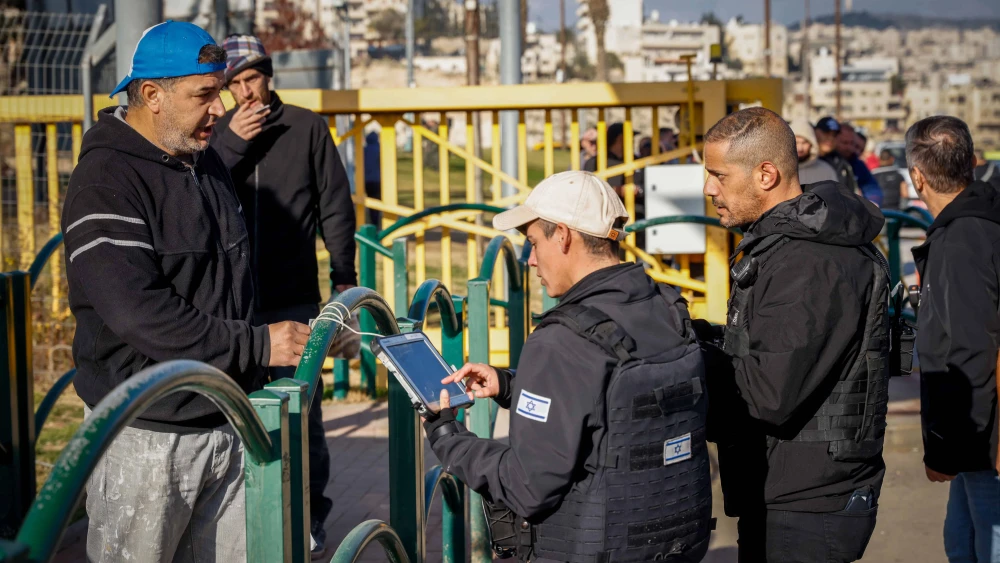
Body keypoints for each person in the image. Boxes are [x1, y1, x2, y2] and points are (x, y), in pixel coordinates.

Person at [62, 22, 310, 562]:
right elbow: (139, 312)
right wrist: (258, 346)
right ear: (152, 95)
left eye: (219, 90)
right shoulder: (105, 178)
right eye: (204, 94)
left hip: (227, 419)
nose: (220, 107)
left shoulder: (204, 160)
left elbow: (230, 284)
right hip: (145, 433)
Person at [422, 170, 713, 562]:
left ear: (562, 235)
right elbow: (610, 400)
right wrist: (512, 385)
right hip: (674, 547)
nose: (529, 260)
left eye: (533, 242)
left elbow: (528, 486)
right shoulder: (666, 307)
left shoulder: (562, 341)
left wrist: (446, 436)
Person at [701, 107, 889, 562]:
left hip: (806, 504)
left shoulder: (809, 260)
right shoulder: (791, 246)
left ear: (766, 174)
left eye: (719, 175)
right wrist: (698, 336)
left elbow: (767, 392)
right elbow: (765, 346)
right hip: (791, 491)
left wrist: (681, 361)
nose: (709, 189)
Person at [209, 34, 358, 559]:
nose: (247, 93)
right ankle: (245, 515)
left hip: (294, 294)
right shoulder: (215, 135)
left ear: (269, 75)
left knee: (301, 412)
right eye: (235, 84)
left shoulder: (306, 126)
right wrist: (231, 143)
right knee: (236, 413)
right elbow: (199, 191)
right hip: (231, 304)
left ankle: (310, 514)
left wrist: (344, 276)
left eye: (254, 78)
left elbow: (335, 206)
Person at [905, 116, 1000, 563]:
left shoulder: (962, 238)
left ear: (917, 177)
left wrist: (948, 450)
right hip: (979, 434)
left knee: (982, 545)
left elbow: (969, 352)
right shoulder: (981, 218)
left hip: (983, 440)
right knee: (961, 542)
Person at [837, 123, 883, 206]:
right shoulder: (826, 162)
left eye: (852, 143)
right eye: (845, 143)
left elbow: (870, 186)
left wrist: (873, 202)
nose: (851, 148)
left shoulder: (856, 163)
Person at [816, 116, 860, 194]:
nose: (830, 138)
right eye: (826, 133)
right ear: (815, 132)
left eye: (834, 135)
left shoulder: (842, 163)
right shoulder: (801, 160)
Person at [789, 117, 839, 184]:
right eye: (796, 142)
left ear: (812, 144)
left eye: (804, 143)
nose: (800, 148)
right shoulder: (778, 169)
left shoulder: (826, 170)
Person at [364, 130, 382, 225]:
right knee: (378, 202)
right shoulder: (379, 149)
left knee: (370, 201)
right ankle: (376, 222)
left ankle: (372, 222)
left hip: (367, 180)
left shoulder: (364, 150)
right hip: (378, 180)